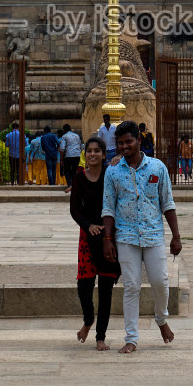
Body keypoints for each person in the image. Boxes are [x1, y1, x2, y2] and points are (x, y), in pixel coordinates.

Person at [102, 119, 181, 353]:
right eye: (120, 144)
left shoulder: (157, 168)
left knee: (160, 282)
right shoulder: (113, 171)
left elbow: (167, 203)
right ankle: (131, 338)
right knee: (131, 286)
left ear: (139, 140)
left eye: (129, 142)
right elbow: (108, 208)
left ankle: (161, 319)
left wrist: (176, 236)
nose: (125, 147)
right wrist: (107, 240)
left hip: (153, 233)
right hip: (125, 236)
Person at [69, 136, 118, 350]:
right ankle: (88, 320)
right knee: (84, 285)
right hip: (88, 236)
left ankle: (101, 337)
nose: (92, 154)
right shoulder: (80, 178)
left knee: (106, 288)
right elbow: (74, 209)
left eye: (97, 151)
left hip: (108, 236)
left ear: (104, 155)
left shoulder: (111, 174)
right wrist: (88, 225)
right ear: (84, 154)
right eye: (89, 151)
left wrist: (119, 161)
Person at [59, 124, 82, 191]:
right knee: (74, 171)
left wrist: (61, 158)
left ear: (64, 130)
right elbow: (81, 146)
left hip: (69, 155)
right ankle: (74, 184)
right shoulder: (77, 135)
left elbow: (62, 149)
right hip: (77, 155)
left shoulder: (64, 136)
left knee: (67, 171)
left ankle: (70, 185)